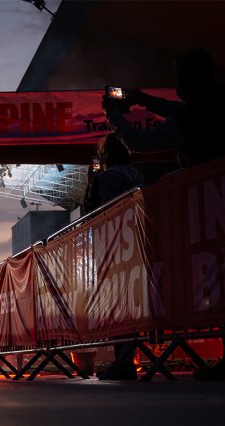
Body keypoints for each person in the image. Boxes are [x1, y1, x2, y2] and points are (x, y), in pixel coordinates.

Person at [104, 48, 225, 381]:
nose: (176, 87)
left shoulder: (189, 121)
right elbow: (185, 109)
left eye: (179, 79)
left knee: (224, 281)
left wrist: (114, 115)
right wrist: (144, 100)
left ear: (190, 80)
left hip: (215, 210)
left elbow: (138, 142)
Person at [83, 134, 144, 380]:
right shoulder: (138, 176)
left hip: (112, 247)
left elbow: (90, 210)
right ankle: (128, 359)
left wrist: (91, 182)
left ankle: (123, 361)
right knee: (133, 302)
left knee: (117, 305)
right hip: (138, 244)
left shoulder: (104, 179)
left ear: (106, 156)